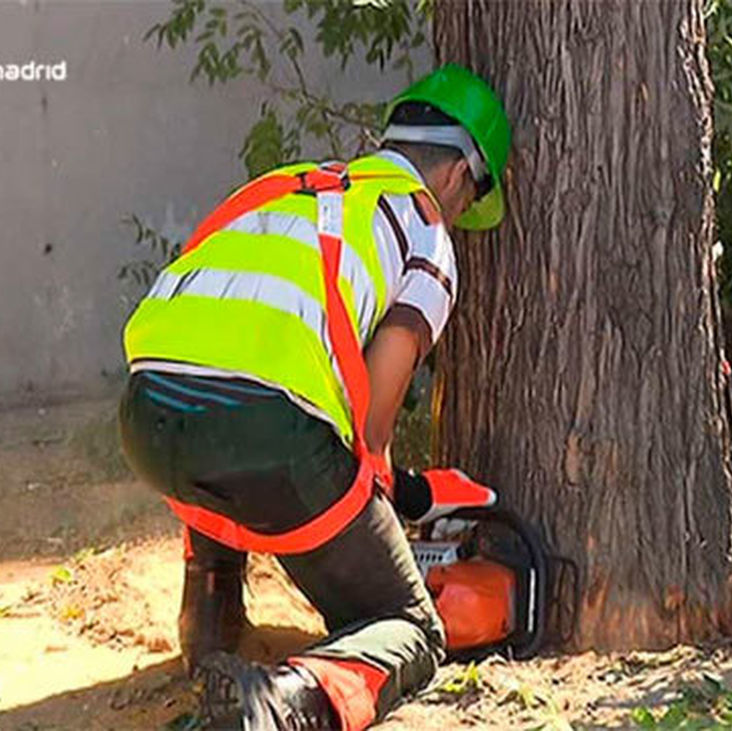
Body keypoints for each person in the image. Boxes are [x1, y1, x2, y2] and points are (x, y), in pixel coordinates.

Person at [118, 63, 510, 730]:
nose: (462, 215)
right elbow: (375, 409)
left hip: (147, 416)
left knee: (217, 422)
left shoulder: (286, 191)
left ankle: (209, 625)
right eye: (470, 201)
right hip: (269, 437)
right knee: (410, 624)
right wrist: (381, 494)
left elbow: (223, 341)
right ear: (453, 177)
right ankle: (281, 705)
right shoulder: (425, 229)